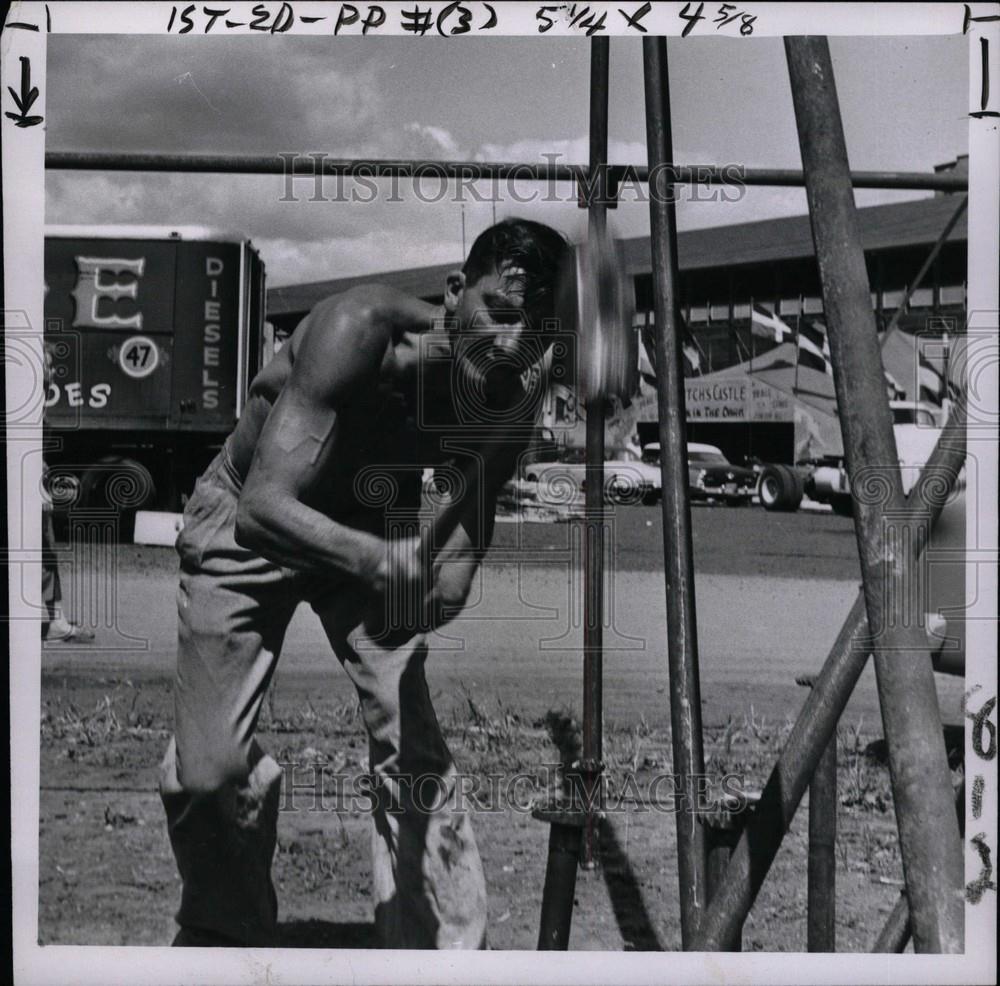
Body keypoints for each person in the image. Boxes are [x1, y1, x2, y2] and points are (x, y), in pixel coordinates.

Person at [158, 218, 571, 948]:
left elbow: (452, 563)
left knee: (410, 741)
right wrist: (382, 563)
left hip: (367, 515)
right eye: (498, 314)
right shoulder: (360, 332)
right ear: (454, 294)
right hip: (247, 515)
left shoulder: (511, 393)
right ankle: (226, 941)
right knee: (209, 773)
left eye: (533, 325)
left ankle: (436, 951)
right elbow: (263, 509)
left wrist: (430, 594)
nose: (511, 342)